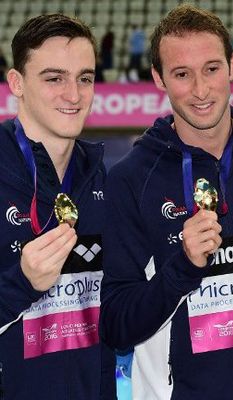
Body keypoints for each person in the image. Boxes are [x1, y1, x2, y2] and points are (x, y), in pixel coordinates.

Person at [99, 4, 233, 399]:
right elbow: (116, 325)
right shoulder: (132, 180)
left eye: (211, 68)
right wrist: (182, 267)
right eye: (181, 74)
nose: (200, 89)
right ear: (158, 78)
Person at [0, 14, 115, 400]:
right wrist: (21, 283)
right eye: (54, 79)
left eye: (84, 78)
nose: (74, 95)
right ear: (16, 83)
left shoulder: (102, 180)